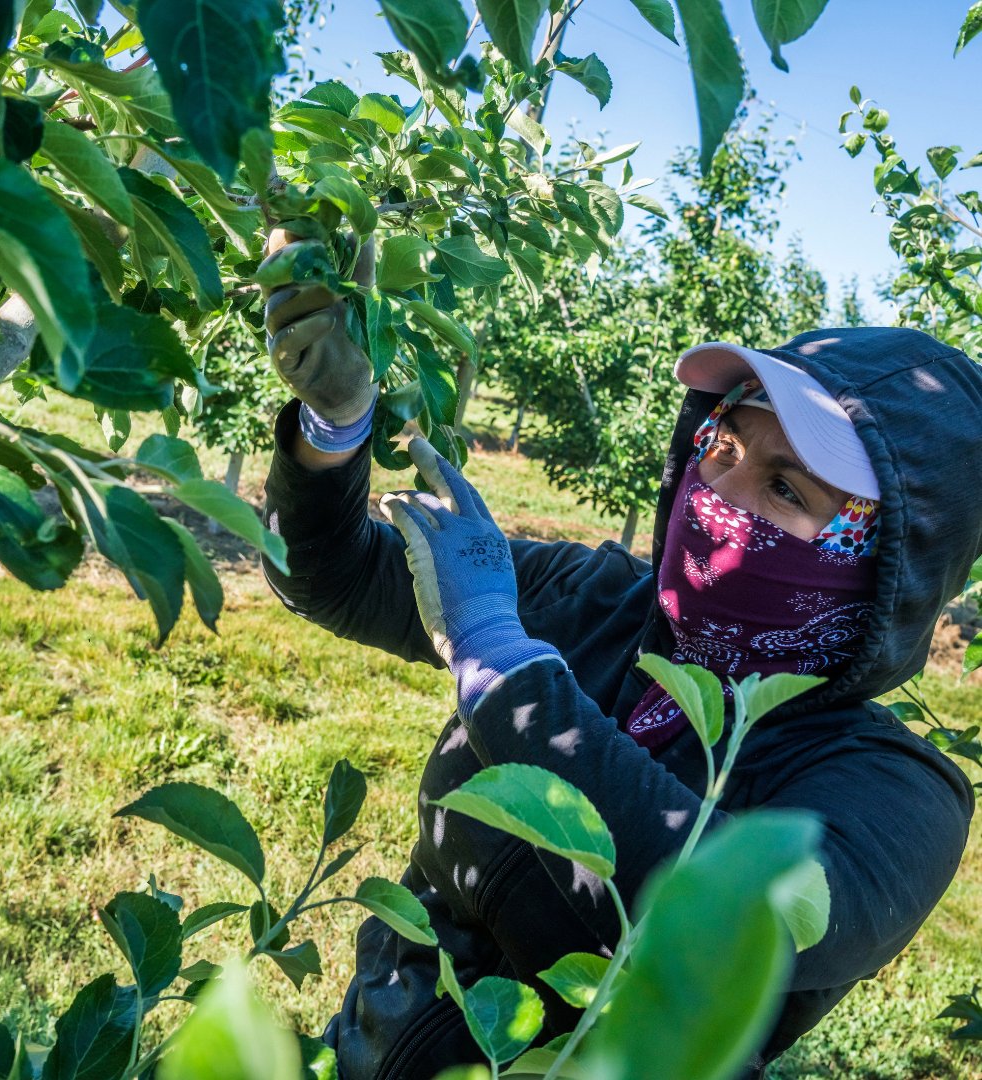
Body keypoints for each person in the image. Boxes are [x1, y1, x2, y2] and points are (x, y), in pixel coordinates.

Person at [259, 236, 982, 1079]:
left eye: (787, 489)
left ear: (891, 558)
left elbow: (722, 920)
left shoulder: (897, 792)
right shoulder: (599, 602)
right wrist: (334, 422)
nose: (721, 501)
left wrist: (499, 658)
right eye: (726, 451)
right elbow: (335, 577)